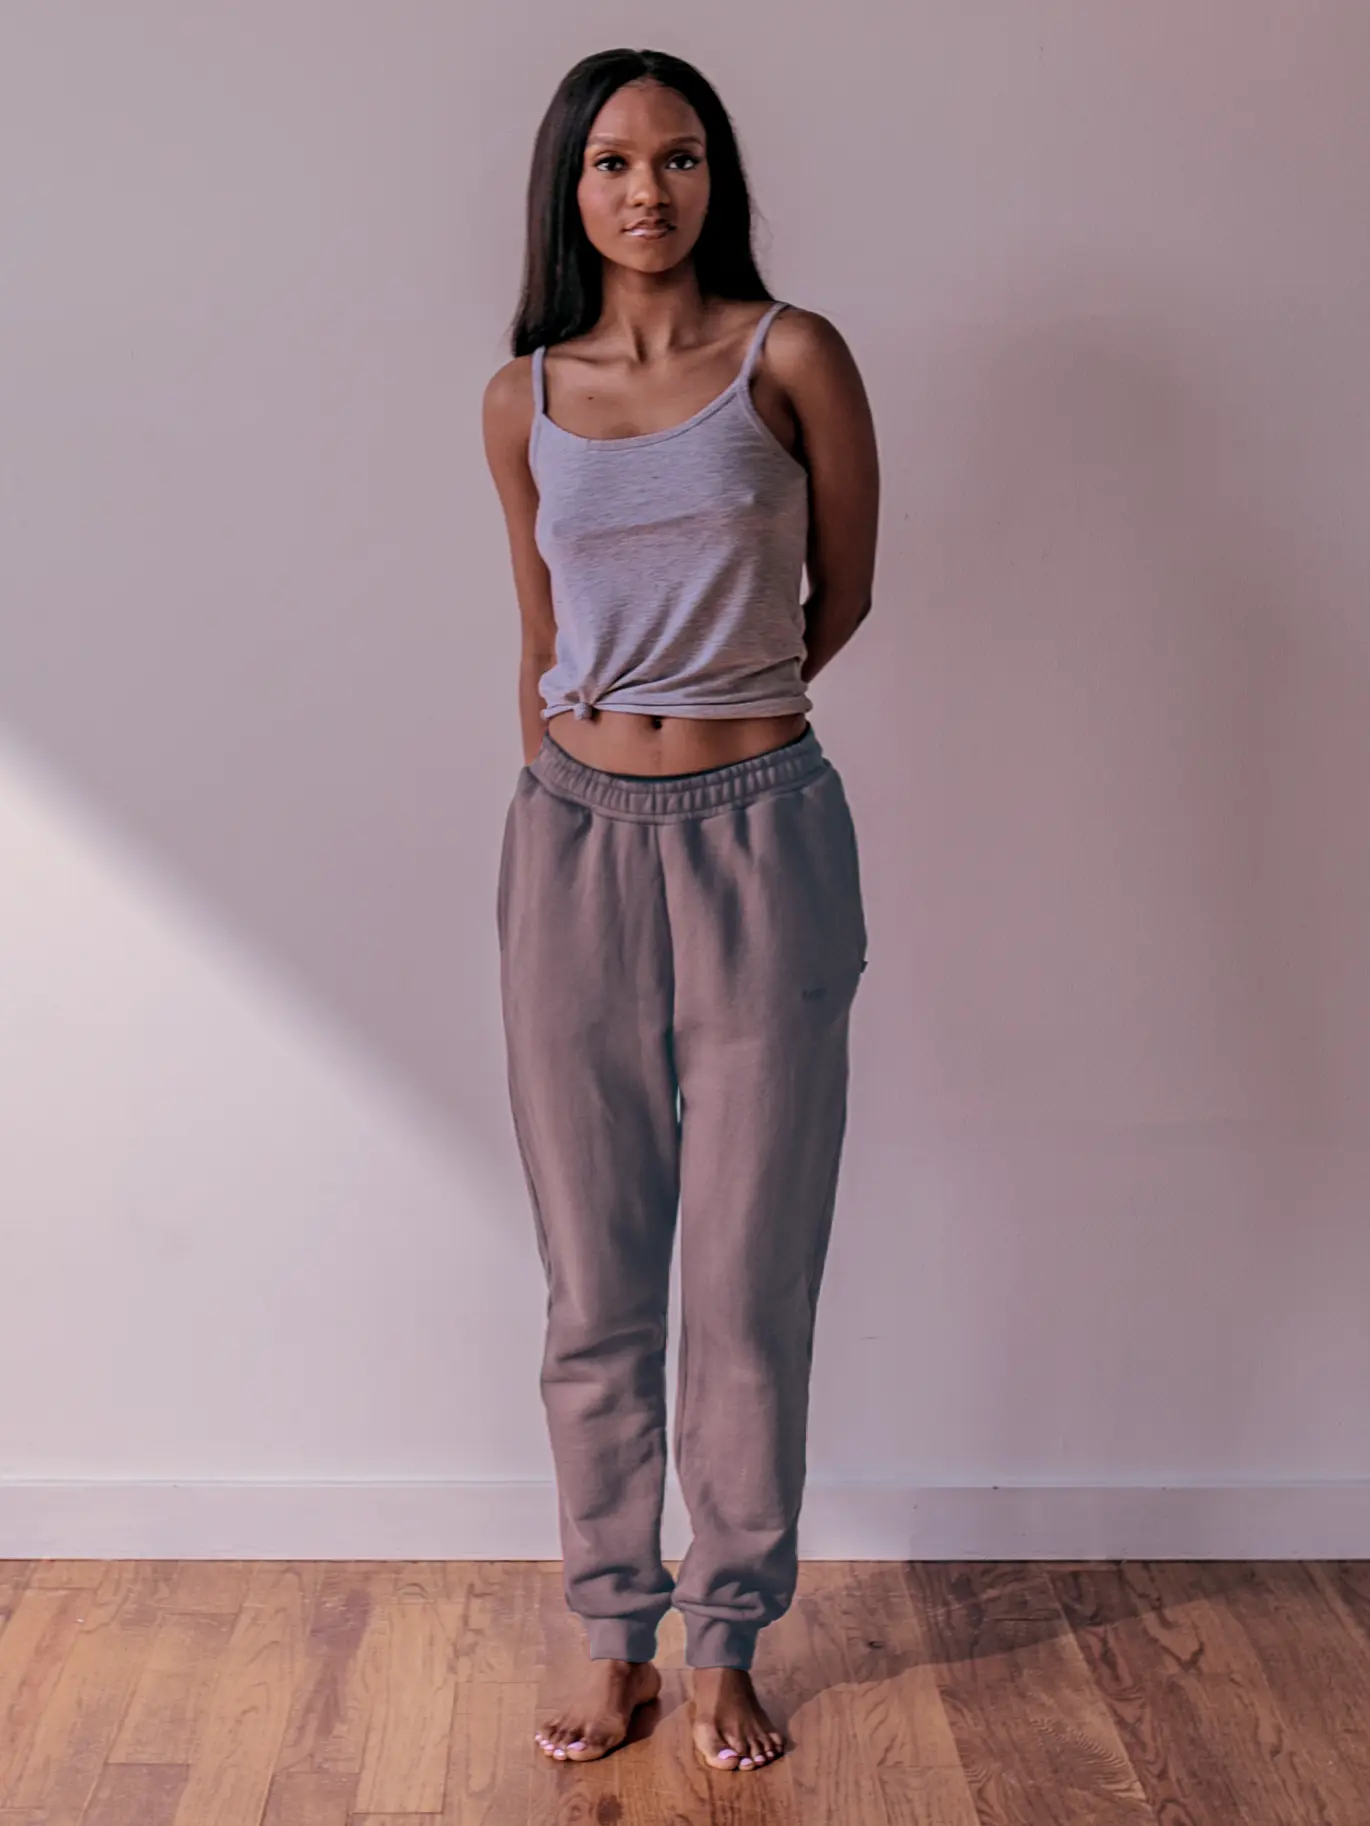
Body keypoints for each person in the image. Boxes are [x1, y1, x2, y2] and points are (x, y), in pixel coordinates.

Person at [481, 46, 879, 1775]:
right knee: (592, 1276)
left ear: (717, 178)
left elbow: (840, 589)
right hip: (572, 845)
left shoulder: (792, 356)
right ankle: (611, 1634)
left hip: (761, 836)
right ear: (567, 185)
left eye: (680, 157)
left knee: (743, 1275)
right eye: (614, 160)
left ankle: (724, 1643)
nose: (648, 189)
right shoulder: (520, 396)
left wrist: (725, 713)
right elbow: (538, 630)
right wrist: (574, 776)